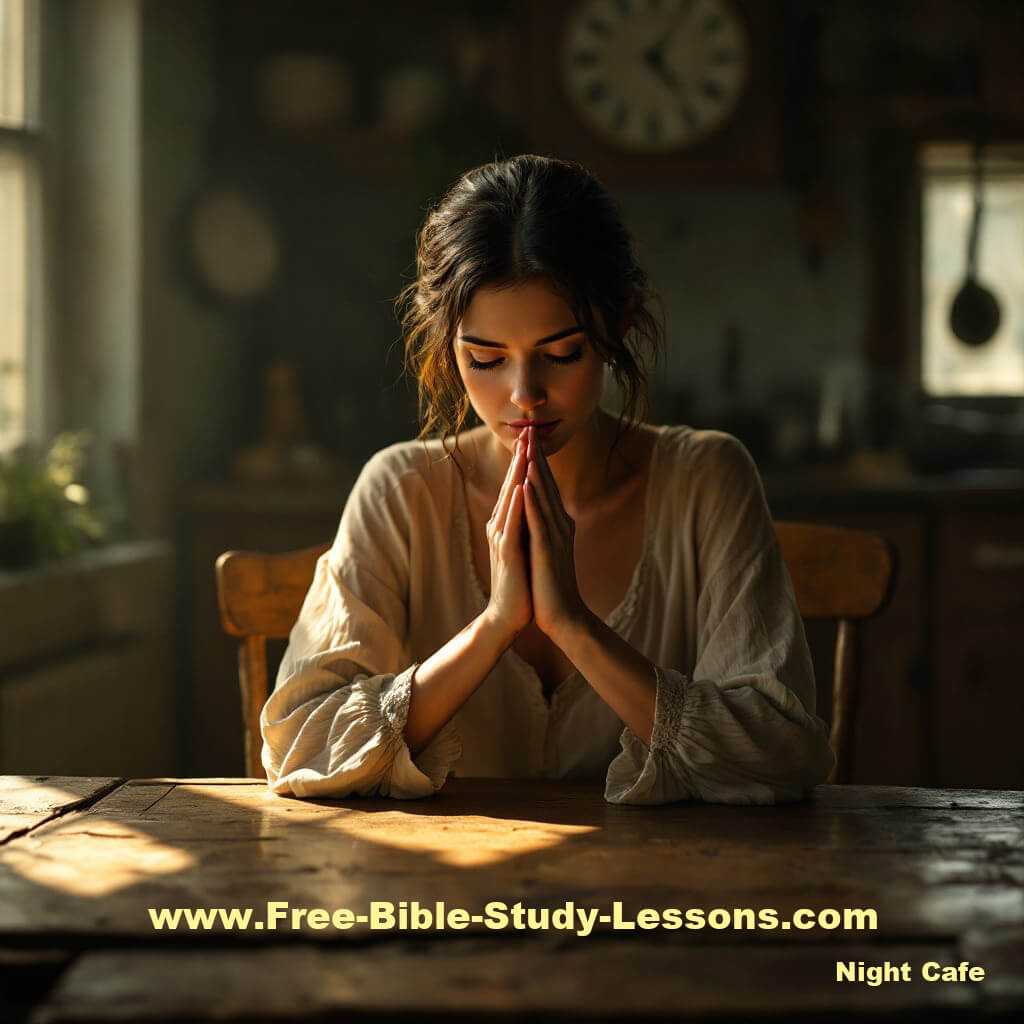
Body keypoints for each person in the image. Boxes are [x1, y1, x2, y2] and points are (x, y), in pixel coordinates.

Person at [261, 154, 834, 805]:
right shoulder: (400, 491)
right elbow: (299, 743)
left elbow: (781, 753)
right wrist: (495, 625)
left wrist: (572, 624)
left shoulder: (706, 480)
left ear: (619, 323)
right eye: (485, 359)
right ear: (447, 344)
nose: (523, 395)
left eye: (562, 354)